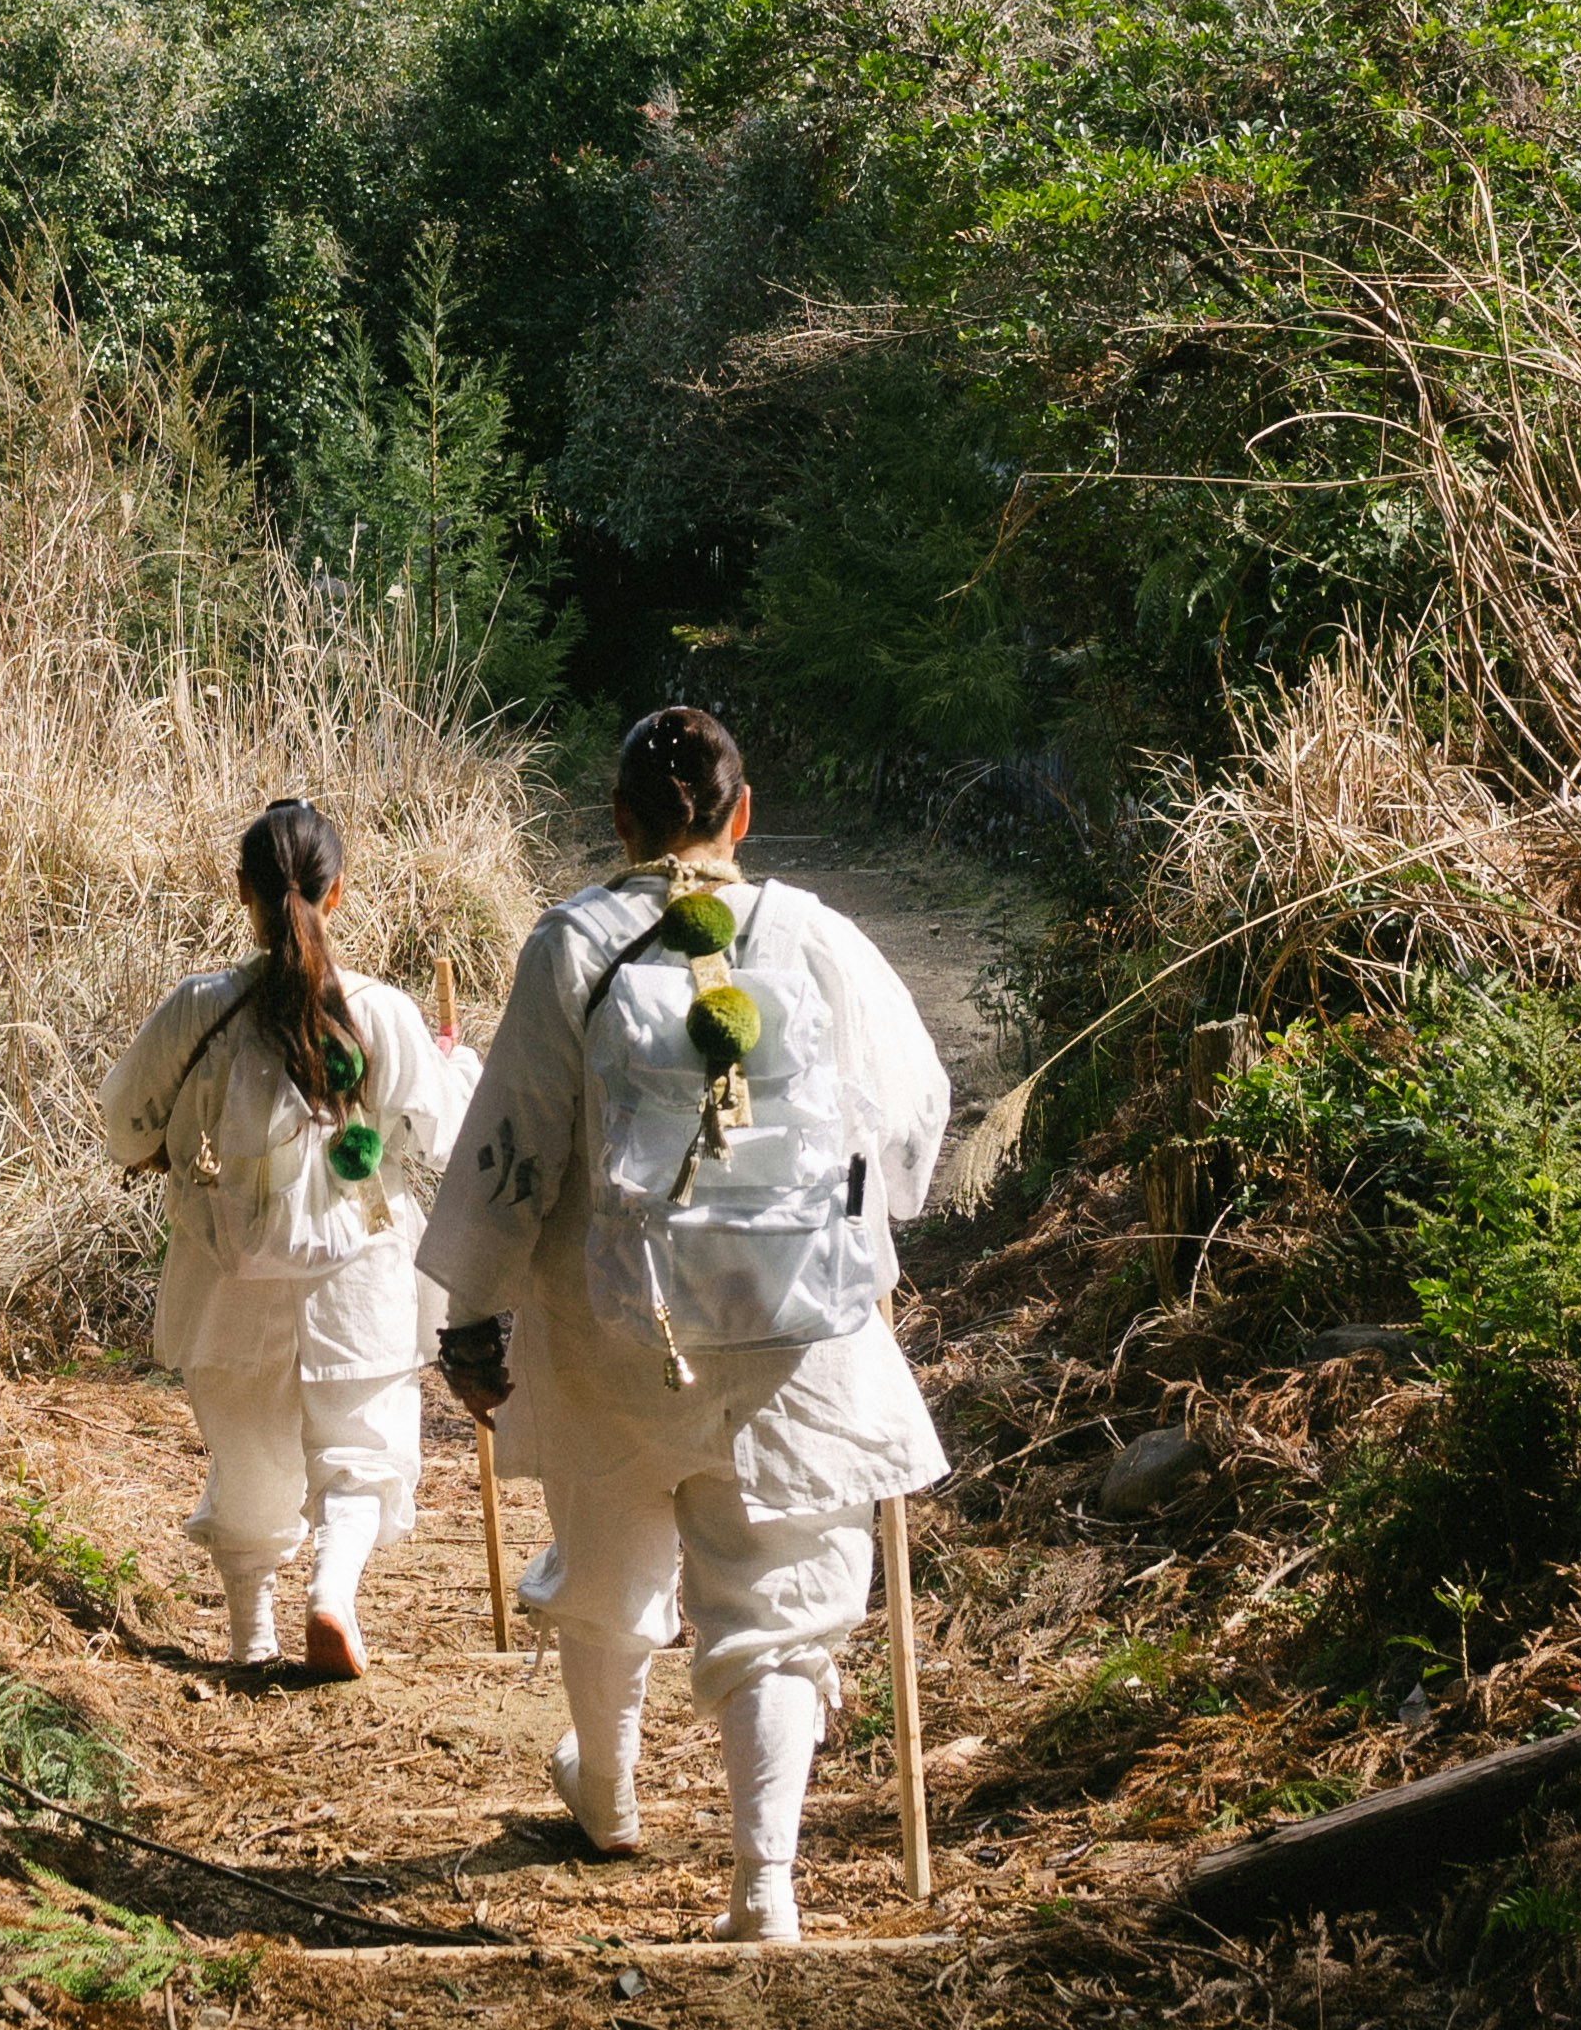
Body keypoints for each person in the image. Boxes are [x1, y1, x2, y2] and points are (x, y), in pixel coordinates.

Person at [419, 704, 950, 1941]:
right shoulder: (815, 934)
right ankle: (763, 1885)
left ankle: (605, 1795)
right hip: (794, 1333)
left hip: (615, 1333)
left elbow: (511, 1148)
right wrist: (863, 1233)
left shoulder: (573, 944)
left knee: (607, 1574)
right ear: (742, 817)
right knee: (778, 1599)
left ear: (617, 823)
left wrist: (472, 1320)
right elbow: (912, 1105)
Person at [101, 795, 475, 1681]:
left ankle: (249, 1640)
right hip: (354, 1270)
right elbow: (439, 1137)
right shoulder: (377, 1011)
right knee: (361, 1448)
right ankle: (332, 1595)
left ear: (243, 892)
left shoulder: (196, 1007)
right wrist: (454, 1060)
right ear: (335, 893)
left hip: (221, 1274)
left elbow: (123, 1125)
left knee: (248, 1454)